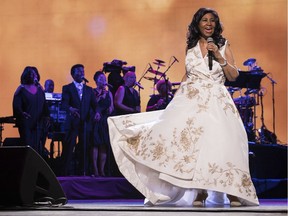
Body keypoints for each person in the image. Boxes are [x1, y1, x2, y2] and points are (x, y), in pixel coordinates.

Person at [107, 7, 259, 207]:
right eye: (204, 20)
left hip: (216, 99)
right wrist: (175, 102)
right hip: (192, 100)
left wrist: (220, 58)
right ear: (198, 24)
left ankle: (232, 191)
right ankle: (200, 192)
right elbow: (187, 76)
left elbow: (233, 76)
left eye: (212, 20)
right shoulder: (191, 47)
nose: (209, 24)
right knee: (193, 146)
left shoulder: (223, 45)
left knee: (223, 143)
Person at [61, 64, 97, 176]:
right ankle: (65, 172)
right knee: (69, 147)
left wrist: (97, 112)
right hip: (72, 122)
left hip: (85, 122)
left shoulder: (89, 89)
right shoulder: (67, 88)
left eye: (82, 71)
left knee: (84, 147)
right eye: (78, 71)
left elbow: (95, 105)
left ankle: (83, 171)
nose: (81, 73)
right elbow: (64, 103)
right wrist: (70, 108)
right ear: (72, 74)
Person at [12, 66, 50, 156]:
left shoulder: (40, 90)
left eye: (35, 74)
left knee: (37, 147)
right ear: (26, 75)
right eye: (31, 74)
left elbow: (44, 105)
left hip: (39, 123)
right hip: (26, 121)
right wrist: (21, 113)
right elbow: (16, 104)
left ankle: (35, 167)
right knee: (28, 146)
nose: (33, 76)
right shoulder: (21, 89)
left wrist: (47, 116)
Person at [91, 71, 114, 177]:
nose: (103, 80)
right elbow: (91, 105)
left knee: (104, 145)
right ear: (96, 81)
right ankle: (95, 168)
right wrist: (100, 96)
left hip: (104, 120)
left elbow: (111, 107)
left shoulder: (108, 93)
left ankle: (102, 169)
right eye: (100, 78)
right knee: (95, 144)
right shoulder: (92, 92)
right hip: (95, 120)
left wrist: (109, 108)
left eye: (104, 78)